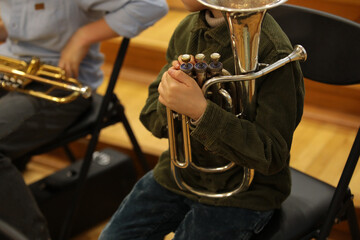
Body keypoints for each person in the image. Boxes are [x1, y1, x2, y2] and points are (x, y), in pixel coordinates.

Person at [99, 0, 305, 239]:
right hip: (181, 175)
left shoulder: (275, 53)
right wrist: (172, 98)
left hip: (245, 194)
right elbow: (150, 118)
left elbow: (272, 155)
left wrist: (201, 112)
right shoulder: (188, 29)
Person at [0, 1, 168, 239]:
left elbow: (152, 5)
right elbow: (23, 26)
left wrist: (82, 36)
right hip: (11, 69)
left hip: (61, 83)